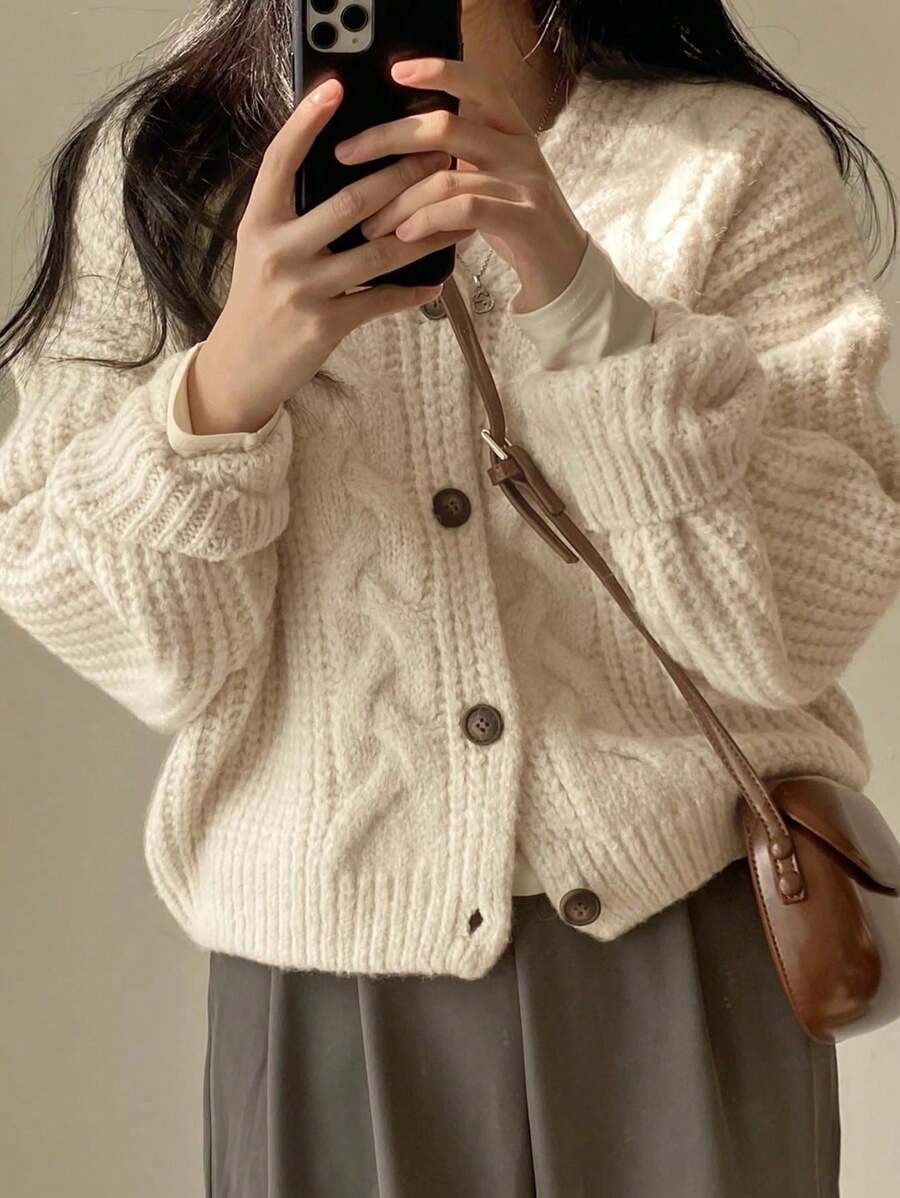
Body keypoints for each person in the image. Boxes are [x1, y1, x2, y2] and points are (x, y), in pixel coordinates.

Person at [1, 1, 898, 1194]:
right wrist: (227, 384)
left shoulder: (733, 158)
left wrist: (586, 305)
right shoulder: (165, 163)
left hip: (687, 945)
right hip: (328, 985)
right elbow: (132, 640)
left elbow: (792, 627)